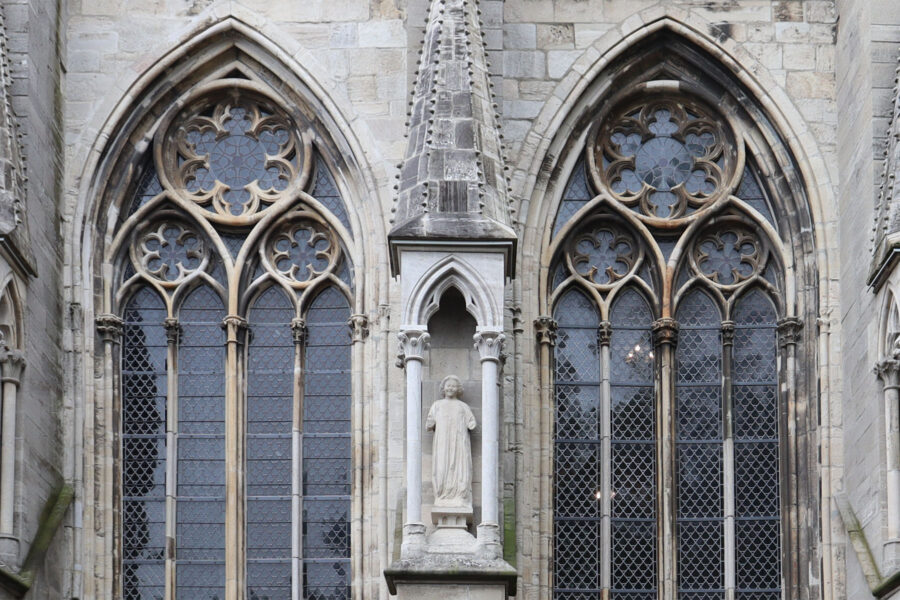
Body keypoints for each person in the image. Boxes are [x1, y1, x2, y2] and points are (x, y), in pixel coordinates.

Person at [426, 375, 477, 508]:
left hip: (459, 442)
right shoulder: (437, 405)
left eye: (453, 386)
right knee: (442, 466)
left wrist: (470, 424)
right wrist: (431, 423)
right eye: (448, 385)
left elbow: (471, 422)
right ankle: (442, 494)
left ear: (458, 389)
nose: (450, 388)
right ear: (444, 388)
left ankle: (459, 496)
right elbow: (429, 423)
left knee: (459, 466)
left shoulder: (463, 406)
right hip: (443, 442)